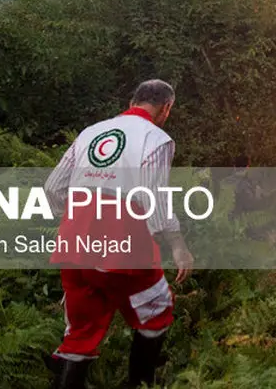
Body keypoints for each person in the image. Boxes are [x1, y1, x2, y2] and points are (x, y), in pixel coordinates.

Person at [42, 79, 194, 389]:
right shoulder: (156, 138)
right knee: (157, 310)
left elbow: (52, 188)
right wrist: (177, 245)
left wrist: (75, 218)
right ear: (167, 108)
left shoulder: (90, 132)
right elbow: (154, 199)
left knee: (80, 333)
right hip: (122, 245)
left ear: (132, 99)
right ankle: (139, 384)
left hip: (74, 242)